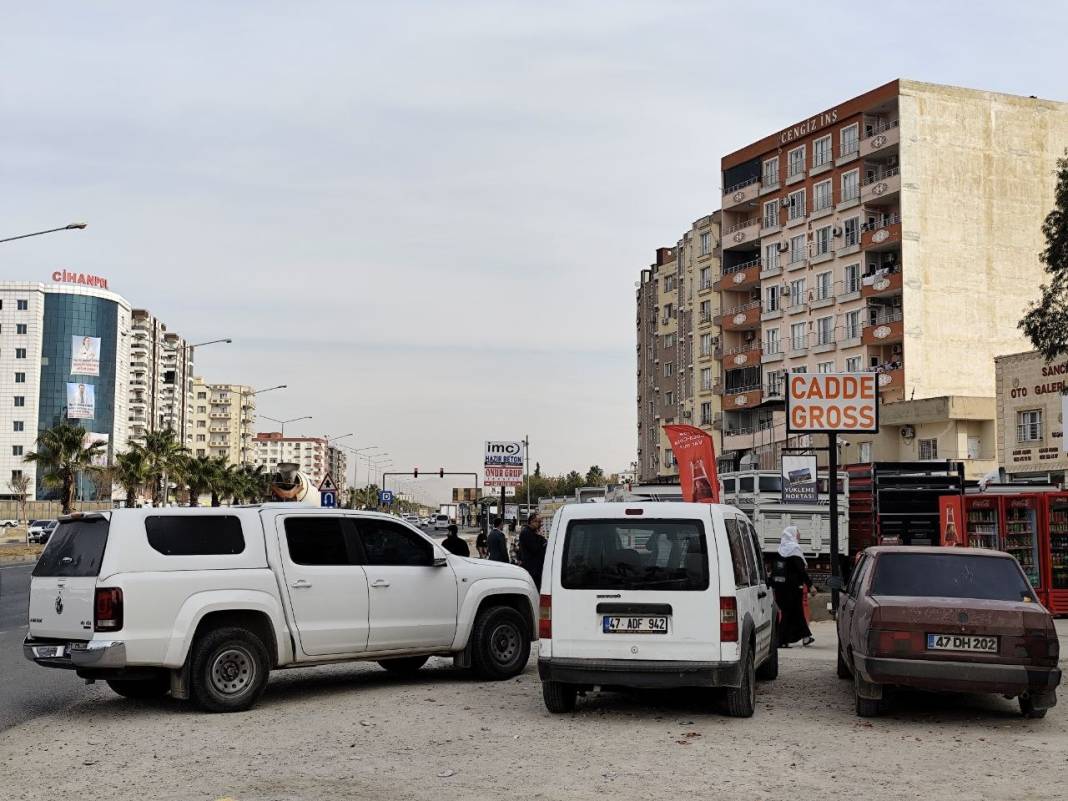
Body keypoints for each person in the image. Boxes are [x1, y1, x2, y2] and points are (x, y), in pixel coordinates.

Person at [770, 526, 815, 648]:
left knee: (795, 612)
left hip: (780, 589)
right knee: (789, 613)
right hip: (793, 589)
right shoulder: (794, 550)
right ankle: (780, 640)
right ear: (792, 535)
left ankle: (805, 637)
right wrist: (810, 586)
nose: (799, 535)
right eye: (797, 533)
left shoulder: (780, 550)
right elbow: (801, 571)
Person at [518, 513, 548, 588]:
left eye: (540, 522)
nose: (540, 524)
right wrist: (540, 537)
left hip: (536, 568)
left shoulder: (532, 532)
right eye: (538, 522)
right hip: (532, 568)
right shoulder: (526, 532)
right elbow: (535, 548)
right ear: (532, 521)